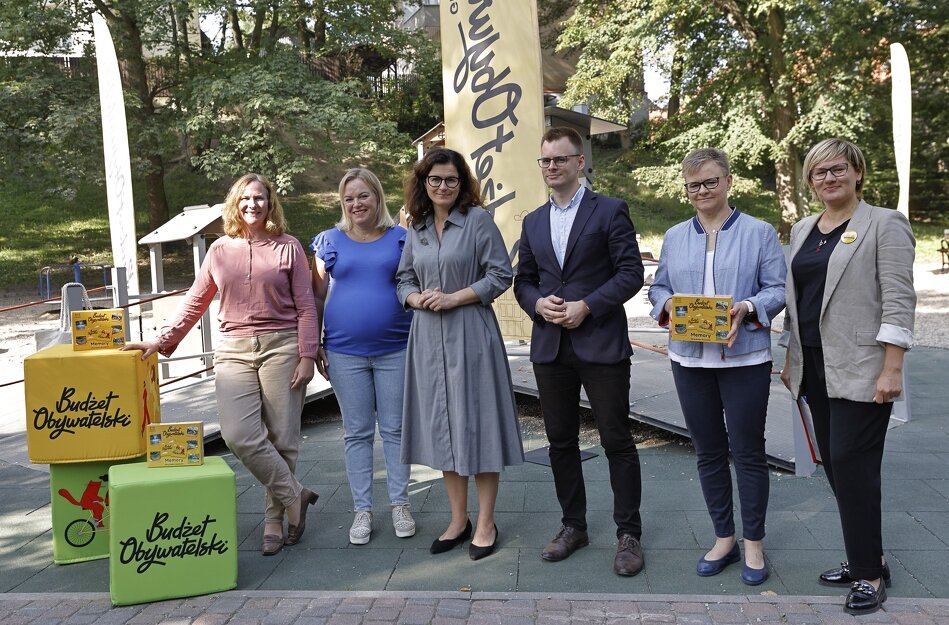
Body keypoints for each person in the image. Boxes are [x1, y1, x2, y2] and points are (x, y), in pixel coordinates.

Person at [124, 174, 319, 557]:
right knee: (238, 434)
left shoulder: (289, 248)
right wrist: (162, 340)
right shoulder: (219, 250)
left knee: (283, 439)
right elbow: (196, 301)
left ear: (270, 203)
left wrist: (308, 354)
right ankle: (296, 496)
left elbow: (306, 306)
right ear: (235, 203)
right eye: (245, 198)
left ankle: (275, 520)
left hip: (282, 347)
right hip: (233, 350)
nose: (253, 204)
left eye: (260, 198)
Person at [781, 138, 915, 615]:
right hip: (814, 366)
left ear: (858, 172)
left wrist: (893, 365)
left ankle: (870, 576)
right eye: (819, 172)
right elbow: (798, 304)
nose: (829, 179)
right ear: (809, 181)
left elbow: (899, 299)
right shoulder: (802, 230)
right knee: (837, 468)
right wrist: (789, 358)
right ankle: (867, 555)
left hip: (863, 366)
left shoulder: (884, 224)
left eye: (838, 169)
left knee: (852, 465)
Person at [648, 148, 786, 585]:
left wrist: (746, 307)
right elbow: (660, 287)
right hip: (689, 358)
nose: (702, 191)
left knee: (747, 451)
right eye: (693, 185)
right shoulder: (674, 235)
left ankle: (754, 544)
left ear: (728, 181)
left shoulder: (759, 232)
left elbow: (777, 288)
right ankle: (723, 537)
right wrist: (667, 303)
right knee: (707, 451)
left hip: (744, 357)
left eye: (709, 182)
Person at [513, 126, 646, 576]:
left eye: (560, 159)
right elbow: (523, 280)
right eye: (545, 160)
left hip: (601, 342)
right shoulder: (532, 221)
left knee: (616, 441)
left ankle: (628, 534)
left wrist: (587, 305)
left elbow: (631, 274)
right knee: (560, 443)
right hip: (551, 348)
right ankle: (574, 526)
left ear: (580, 161)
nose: (552, 167)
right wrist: (537, 303)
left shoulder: (609, 211)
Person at [397, 147, 524, 561]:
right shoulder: (414, 228)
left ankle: (485, 522)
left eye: (451, 179)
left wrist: (455, 298)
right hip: (427, 341)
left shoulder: (478, 221)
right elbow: (402, 278)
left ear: (462, 183)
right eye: (435, 179)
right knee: (442, 428)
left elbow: (501, 274)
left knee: (479, 425)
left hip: (471, 335)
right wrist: (415, 298)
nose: (443, 187)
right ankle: (458, 520)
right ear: (423, 183)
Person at [310, 168, 415, 545]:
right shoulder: (328, 242)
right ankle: (362, 511)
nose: (356, 204)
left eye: (363, 196)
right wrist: (315, 343)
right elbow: (317, 297)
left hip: (396, 349)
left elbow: (413, 287)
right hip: (343, 352)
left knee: (395, 430)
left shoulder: (402, 239)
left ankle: (400, 503)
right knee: (356, 432)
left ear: (377, 198)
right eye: (349, 198)